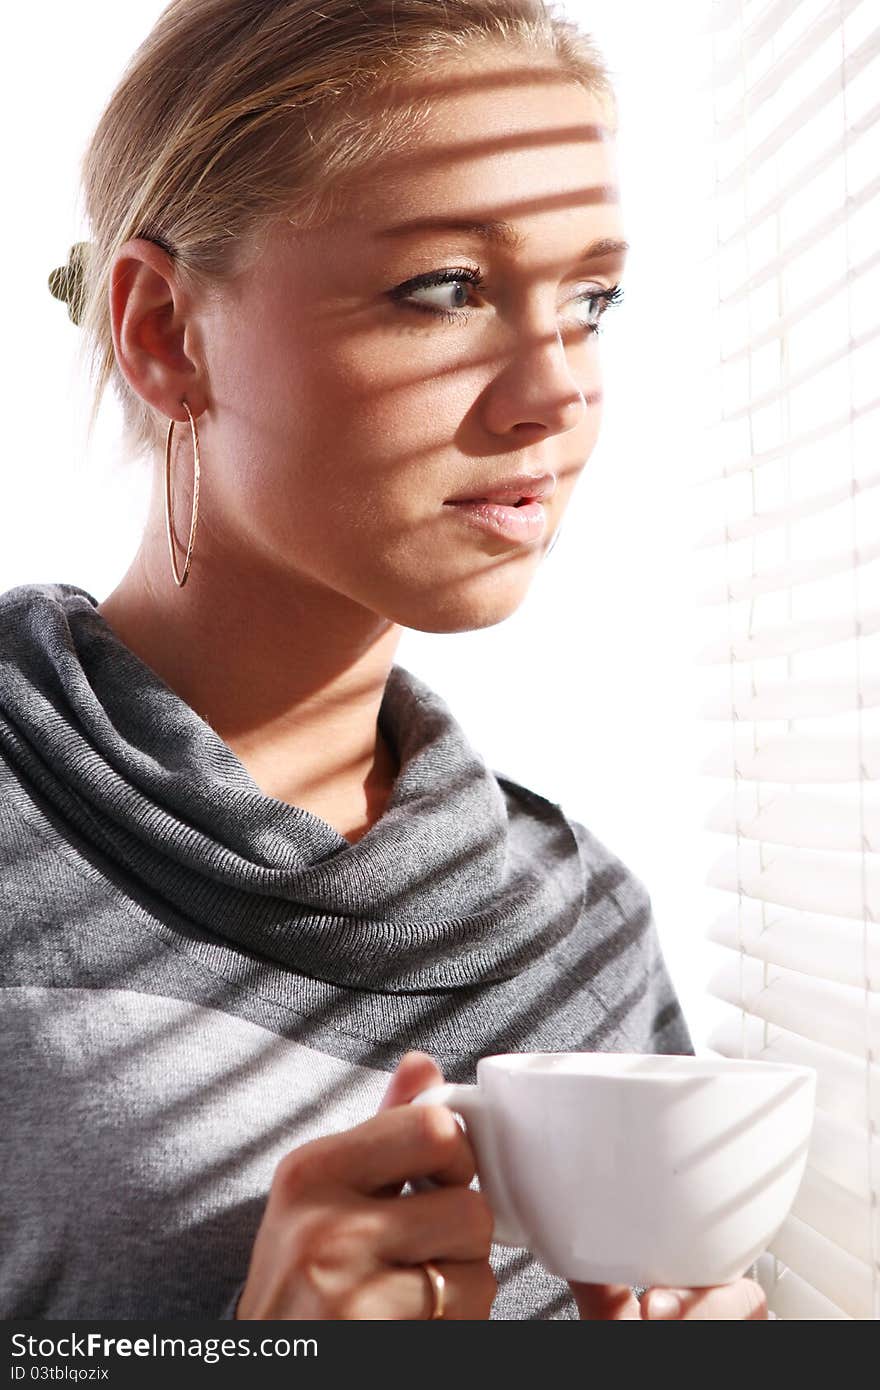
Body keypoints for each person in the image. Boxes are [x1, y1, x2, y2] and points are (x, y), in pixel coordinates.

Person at [1, 0, 768, 1320]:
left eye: (592, 301)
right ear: (163, 332)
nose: (556, 390)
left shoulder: (586, 933)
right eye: (448, 288)